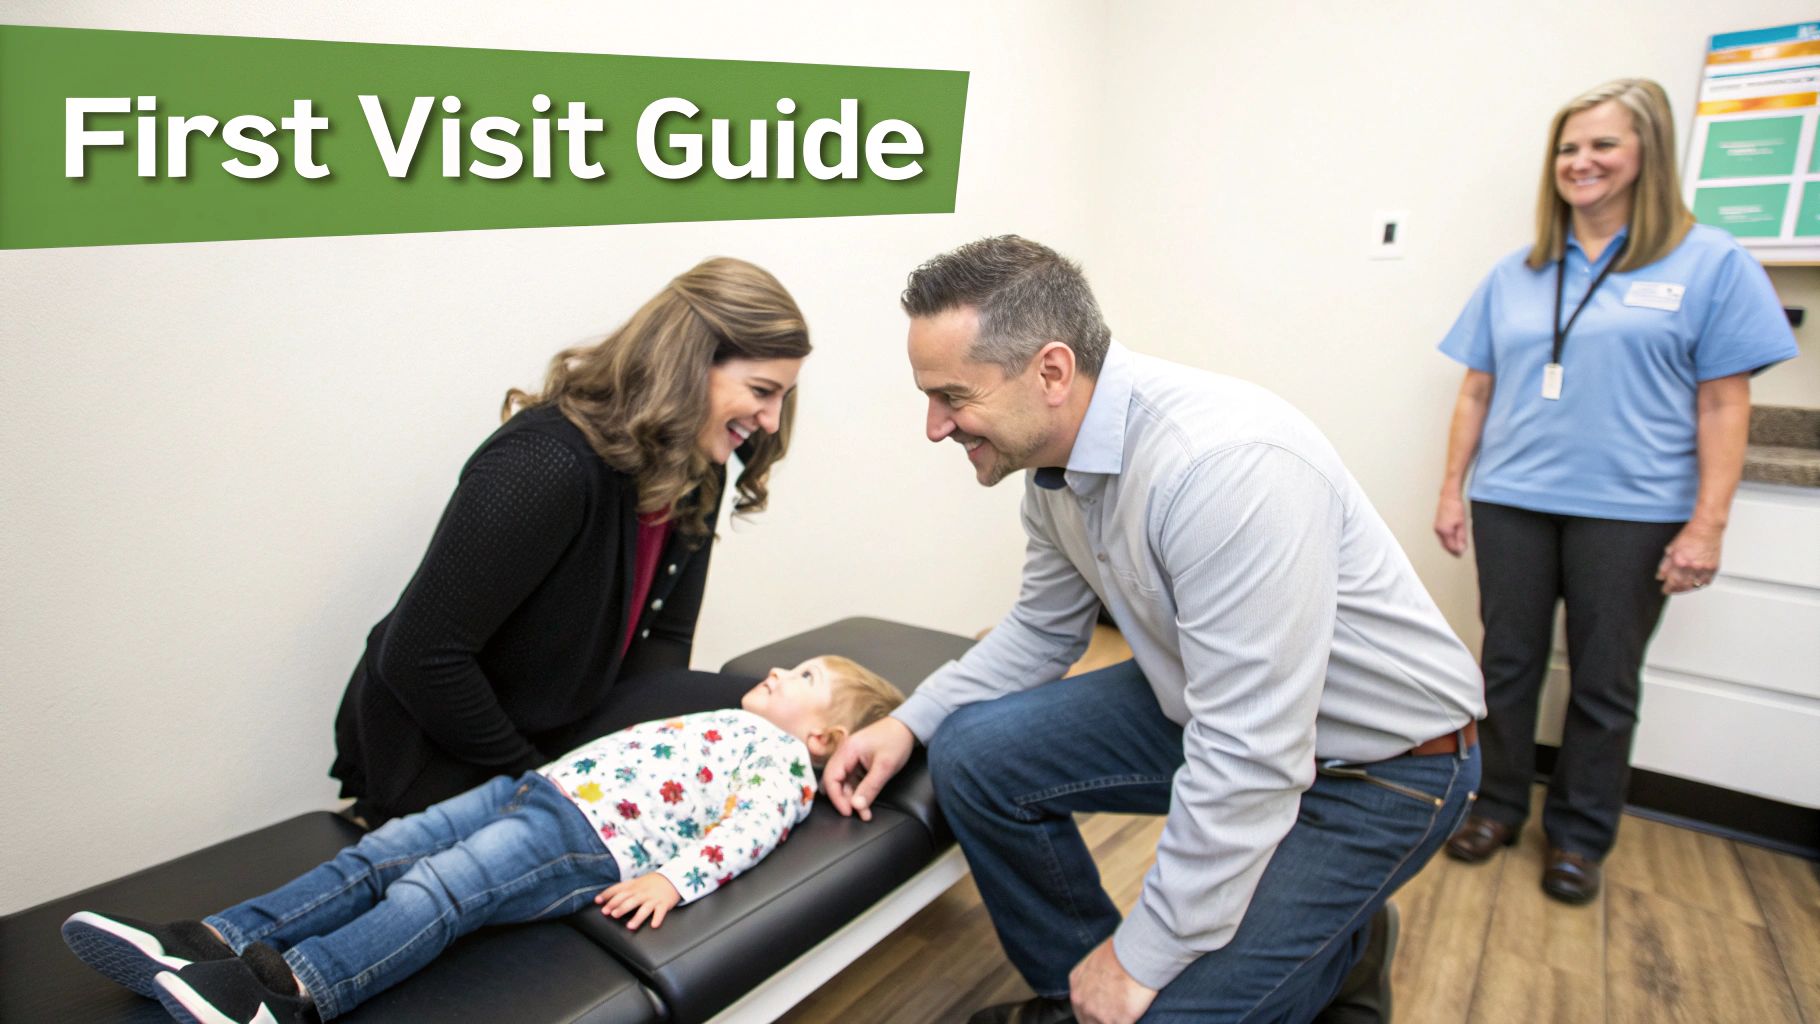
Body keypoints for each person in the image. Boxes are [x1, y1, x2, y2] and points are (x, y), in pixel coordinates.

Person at [823, 236, 1486, 1024]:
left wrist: (1147, 954)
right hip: (1220, 712)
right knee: (972, 753)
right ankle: (1083, 997)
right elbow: (1040, 632)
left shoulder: (1223, 467)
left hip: (1381, 766)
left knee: (1167, 1006)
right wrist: (908, 722)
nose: (934, 426)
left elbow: (1253, 757)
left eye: (953, 397)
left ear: (1053, 372)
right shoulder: (1051, 468)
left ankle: (1344, 947)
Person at [61, 656, 905, 1024]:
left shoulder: (783, 765)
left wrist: (674, 882)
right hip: (537, 791)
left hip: (589, 840)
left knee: (438, 889)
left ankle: (286, 994)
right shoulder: (736, 717)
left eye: (805, 681)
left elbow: (749, 834)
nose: (780, 674)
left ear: (828, 738)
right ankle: (212, 938)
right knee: (382, 850)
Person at [1433, 79, 1798, 903]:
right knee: (1507, 663)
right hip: (1514, 498)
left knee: (1604, 679)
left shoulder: (1712, 262)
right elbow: (1476, 390)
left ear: (1647, 157)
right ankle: (1495, 806)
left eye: (1602, 145)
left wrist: (1707, 524)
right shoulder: (1519, 271)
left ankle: (1580, 836)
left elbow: (1724, 401)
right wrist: (1454, 489)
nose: (1581, 161)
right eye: (1568, 148)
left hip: (1634, 511)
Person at [330, 257, 812, 824]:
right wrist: (542, 783)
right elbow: (420, 656)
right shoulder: (545, 463)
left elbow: (666, 637)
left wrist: (635, 763)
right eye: (762, 390)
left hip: (559, 722)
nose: (773, 421)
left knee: (773, 713)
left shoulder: (697, 469)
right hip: (443, 748)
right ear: (688, 363)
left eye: (783, 396)